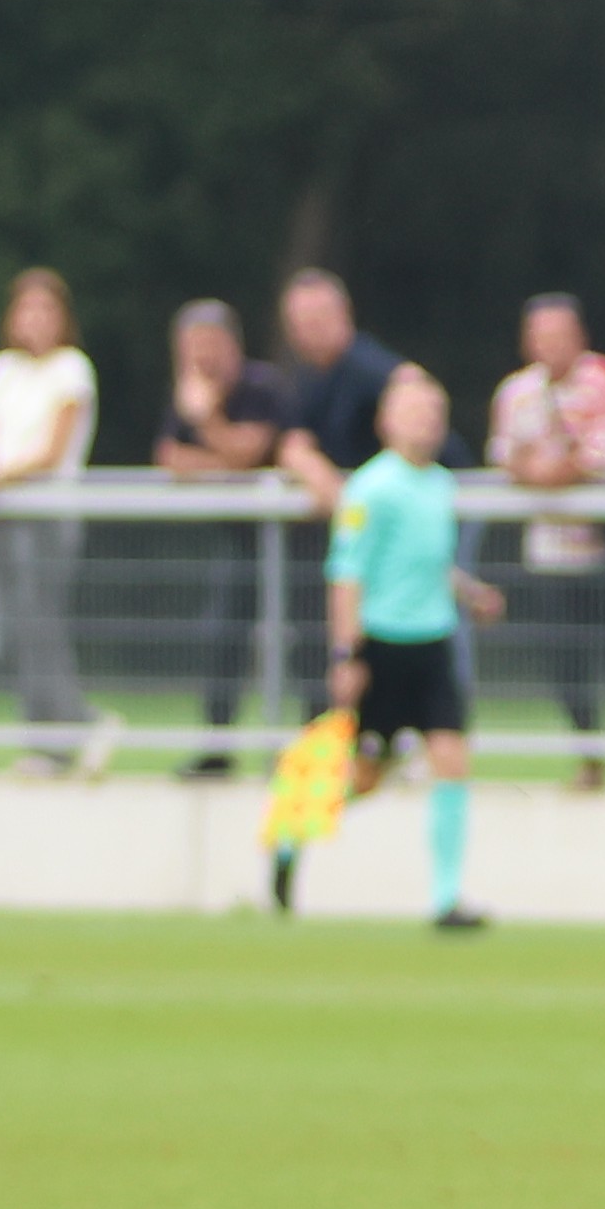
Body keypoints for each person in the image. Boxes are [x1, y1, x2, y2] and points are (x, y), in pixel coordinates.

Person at [306, 362, 502, 929]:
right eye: (415, 413)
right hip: (383, 644)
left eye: (435, 414)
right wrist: (347, 655)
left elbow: (430, 563)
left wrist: (470, 594)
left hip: (432, 641)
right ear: (388, 422)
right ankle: (296, 831)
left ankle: (446, 897)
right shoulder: (370, 488)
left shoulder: (441, 485)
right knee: (367, 776)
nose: (426, 424)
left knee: (452, 760)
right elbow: (347, 573)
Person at [0, 267, 107, 777]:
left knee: (41, 626)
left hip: (45, 515)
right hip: (2, 515)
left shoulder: (71, 369)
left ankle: (72, 727)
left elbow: (49, 452)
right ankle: (53, 732)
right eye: (26, 310)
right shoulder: (1, 371)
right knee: (10, 629)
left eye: (46, 310)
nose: (35, 320)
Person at [488, 295, 605, 791]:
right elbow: (505, 455)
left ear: (580, 337)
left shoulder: (602, 380)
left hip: (604, 549)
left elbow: (603, 452)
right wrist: (548, 468)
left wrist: (549, 468)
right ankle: (589, 756)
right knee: (564, 659)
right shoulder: (516, 392)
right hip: (549, 550)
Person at [155, 301, 297, 775]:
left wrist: (206, 423)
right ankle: (218, 746)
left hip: (293, 543)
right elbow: (171, 458)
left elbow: (252, 451)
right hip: (239, 543)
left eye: (207, 345)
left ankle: (306, 750)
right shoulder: (188, 394)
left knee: (304, 645)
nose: (200, 357)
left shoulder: (262, 387)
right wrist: (225, 459)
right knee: (221, 638)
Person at [267, 269, 402, 722]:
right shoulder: (307, 380)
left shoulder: (373, 370)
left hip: (398, 530)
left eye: (318, 319)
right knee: (322, 636)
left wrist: (350, 504)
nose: (308, 332)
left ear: (343, 314)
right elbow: (293, 445)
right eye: (299, 323)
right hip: (354, 537)